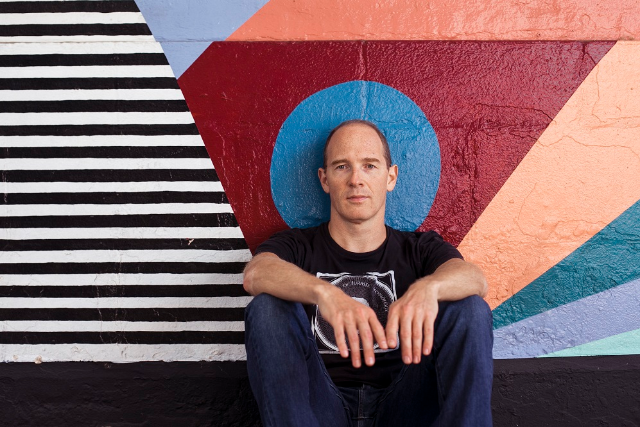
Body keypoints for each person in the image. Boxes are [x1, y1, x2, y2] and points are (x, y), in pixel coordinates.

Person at [243, 119, 494, 426]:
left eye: (370, 166)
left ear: (391, 177)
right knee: (268, 307)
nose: (356, 180)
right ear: (324, 179)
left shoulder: (419, 249)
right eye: (342, 167)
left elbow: (475, 279)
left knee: (470, 309)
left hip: (404, 407)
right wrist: (325, 293)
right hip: (320, 408)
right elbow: (256, 273)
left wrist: (429, 288)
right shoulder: (297, 245)